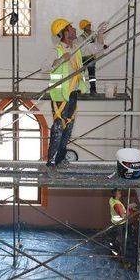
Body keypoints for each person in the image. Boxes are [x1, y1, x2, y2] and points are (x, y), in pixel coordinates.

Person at [45, 18, 89, 171]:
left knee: (68, 128)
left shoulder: (77, 47)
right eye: (71, 27)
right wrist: (60, 60)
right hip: (60, 96)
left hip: (72, 94)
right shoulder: (56, 50)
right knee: (58, 128)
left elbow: (95, 49)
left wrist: (101, 34)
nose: (74, 29)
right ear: (64, 32)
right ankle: (51, 162)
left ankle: (60, 158)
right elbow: (44, 68)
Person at [78, 19, 108, 94]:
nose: (89, 26)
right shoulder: (81, 38)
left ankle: (93, 90)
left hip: (91, 58)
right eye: (88, 25)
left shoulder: (94, 34)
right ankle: (80, 89)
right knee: (81, 75)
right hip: (84, 58)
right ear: (84, 27)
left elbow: (99, 42)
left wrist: (103, 46)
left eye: (89, 25)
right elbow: (83, 48)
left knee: (92, 75)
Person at [109, 189, 135, 268]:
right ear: (116, 195)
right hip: (119, 224)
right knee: (121, 242)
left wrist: (125, 208)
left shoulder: (111, 199)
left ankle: (114, 252)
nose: (121, 193)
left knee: (115, 239)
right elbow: (123, 216)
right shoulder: (117, 204)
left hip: (115, 223)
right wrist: (130, 210)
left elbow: (120, 210)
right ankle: (123, 261)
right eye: (119, 192)